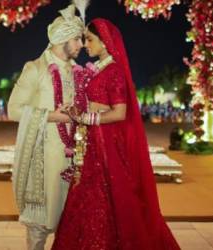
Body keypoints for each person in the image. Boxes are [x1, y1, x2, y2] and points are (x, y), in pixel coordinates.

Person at [52, 18, 180, 250]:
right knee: (92, 198)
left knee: (111, 196)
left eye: (90, 40)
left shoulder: (115, 71)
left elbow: (120, 112)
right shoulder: (103, 69)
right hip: (95, 142)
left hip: (107, 145)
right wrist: (78, 112)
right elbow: (100, 104)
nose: (85, 45)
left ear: (106, 42)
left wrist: (87, 118)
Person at [7, 5, 84, 250]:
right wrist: (53, 116)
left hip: (73, 160)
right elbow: (14, 110)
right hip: (42, 160)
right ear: (62, 39)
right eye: (77, 39)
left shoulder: (79, 73)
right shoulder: (35, 69)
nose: (81, 44)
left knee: (72, 223)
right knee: (38, 226)